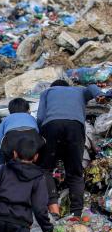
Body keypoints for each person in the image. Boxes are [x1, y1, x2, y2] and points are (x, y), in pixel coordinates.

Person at [37, 79, 103, 217]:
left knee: (45, 169)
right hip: (75, 127)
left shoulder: (47, 92)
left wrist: (43, 143)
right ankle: (76, 214)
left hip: (52, 126)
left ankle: (54, 209)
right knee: (75, 172)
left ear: (53, 87)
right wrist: (99, 94)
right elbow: (91, 86)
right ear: (68, 87)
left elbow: (40, 118)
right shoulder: (78, 90)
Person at [0, 98, 43, 164]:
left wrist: (3, 162)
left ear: (10, 111)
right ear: (27, 110)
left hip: (12, 148)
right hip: (32, 147)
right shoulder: (31, 118)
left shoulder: (6, 119)